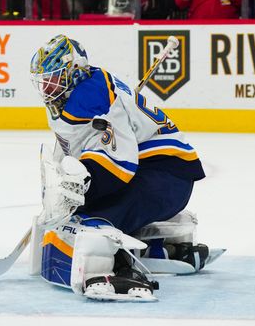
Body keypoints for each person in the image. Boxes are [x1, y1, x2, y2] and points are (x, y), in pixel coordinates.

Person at [29, 35, 207, 301]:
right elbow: (77, 150)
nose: (47, 87)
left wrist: (82, 188)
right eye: (43, 80)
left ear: (73, 70)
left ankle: (116, 268)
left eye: (53, 78)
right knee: (80, 212)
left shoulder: (92, 96)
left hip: (167, 174)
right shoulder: (74, 96)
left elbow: (120, 165)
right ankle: (160, 248)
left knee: (92, 218)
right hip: (154, 173)